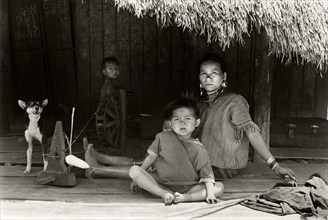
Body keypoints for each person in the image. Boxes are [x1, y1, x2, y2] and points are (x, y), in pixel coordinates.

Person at [192, 53, 296, 181]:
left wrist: (275, 166)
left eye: (214, 73)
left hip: (224, 168)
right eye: (204, 73)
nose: (208, 78)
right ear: (199, 78)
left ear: (224, 76)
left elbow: (252, 133)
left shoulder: (235, 102)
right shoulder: (201, 104)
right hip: (203, 164)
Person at [129, 97, 224, 205]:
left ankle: (184, 198)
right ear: (170, 123)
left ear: (197, 122)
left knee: (219, 188)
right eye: (176, 119)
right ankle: (164, 194)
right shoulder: (162, 137)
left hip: (189, 188)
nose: (182, 123)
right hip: (161, 184)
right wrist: (136, 179)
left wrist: (210, 195)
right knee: (134, 170)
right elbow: (151, 157)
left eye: (187, 119)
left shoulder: (199, 149)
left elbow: (207, 176)